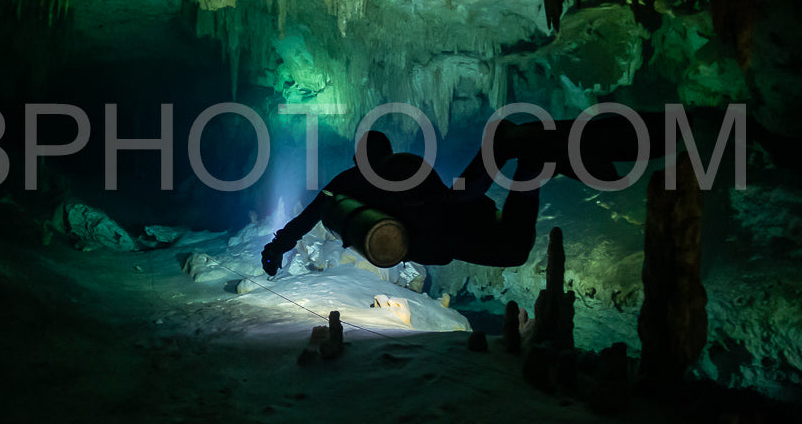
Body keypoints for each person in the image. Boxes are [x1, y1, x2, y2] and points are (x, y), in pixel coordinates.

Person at [260, 113, 680, 275]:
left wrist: (278, 247)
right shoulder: (395, 166)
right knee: (508, 240)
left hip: (438, 231)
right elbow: (438, 189)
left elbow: (307, 218)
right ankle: (524, 153)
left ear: (360, 157)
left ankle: (518, 151)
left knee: (513, 247)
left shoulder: (347, 182)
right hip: (451, 211)